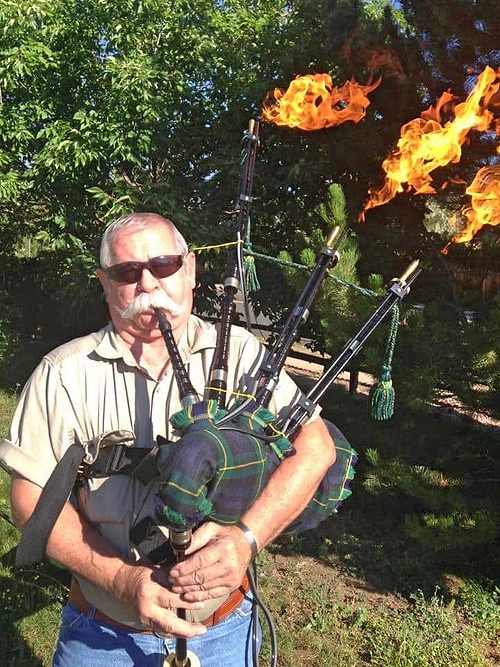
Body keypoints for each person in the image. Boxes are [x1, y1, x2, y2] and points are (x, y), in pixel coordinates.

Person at [0, 212, 336, 666]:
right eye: (127, 272)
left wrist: (245, 539)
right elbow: (29, 499)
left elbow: (316, 447)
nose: (147, 283)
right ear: (105, 283)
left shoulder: (239, 353)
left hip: (225, 630)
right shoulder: (63, 374)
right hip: (103, 635)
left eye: (163, 265)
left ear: (190, 269)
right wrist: (120, 579)